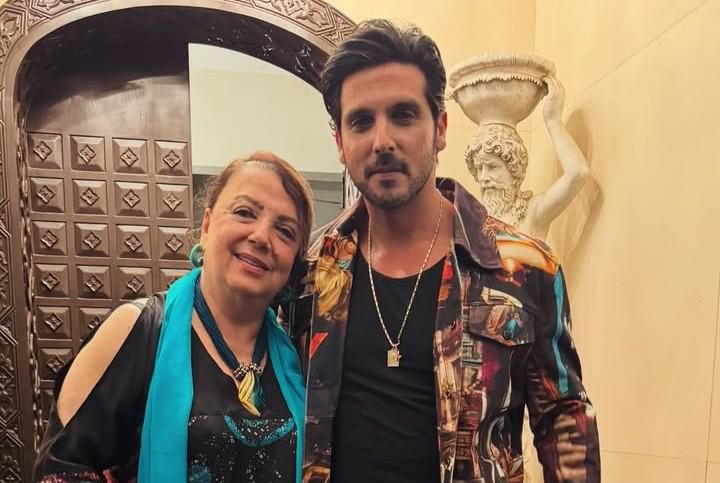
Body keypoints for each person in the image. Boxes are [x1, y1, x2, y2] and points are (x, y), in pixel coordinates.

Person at [285, 20, 600, 483]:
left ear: (441, 129)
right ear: (340, 144)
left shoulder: (524, 267)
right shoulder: (310, 269)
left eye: (403, 115)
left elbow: (564, 418)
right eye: (361, 121)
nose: (382, 141)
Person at [34, 151, 312, 482]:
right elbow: (61, 469)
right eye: (244, 213)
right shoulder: (138, 329)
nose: (262, 237)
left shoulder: (297, 356)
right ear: (206, 226)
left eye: (285, 231)